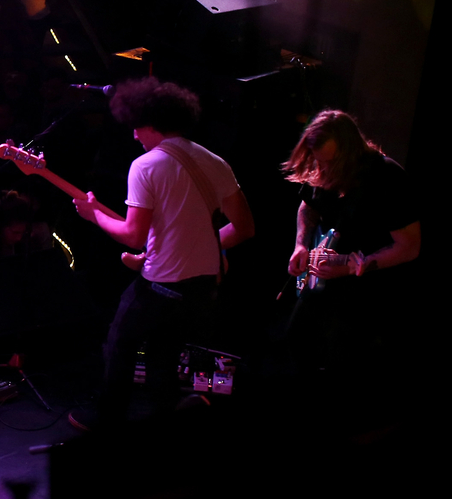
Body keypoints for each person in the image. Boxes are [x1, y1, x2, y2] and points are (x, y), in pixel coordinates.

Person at [71, 78, 255, 429]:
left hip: (160, 286)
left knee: (119, 344)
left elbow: (132, 234)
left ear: (151, 123)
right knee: (164, 354)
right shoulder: (215, 161)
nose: (135, 136)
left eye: (137, 127)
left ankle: (108, 419)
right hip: (202, 289)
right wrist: (195, 248)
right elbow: (244, 228)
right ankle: (162, 425)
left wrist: (93, 215)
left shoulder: (146, 166)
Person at [281, 110, 420, 376]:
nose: (323, 169)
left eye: (329, 163)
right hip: (323, 280)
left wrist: (347, 268)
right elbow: (307, 207)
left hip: (366, 291)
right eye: (318, 163)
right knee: (297, 341)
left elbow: (410, 246)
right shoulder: (323, 167)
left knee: (342, 361)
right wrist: (301, 245)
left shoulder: (387, 177)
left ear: (349, 151)